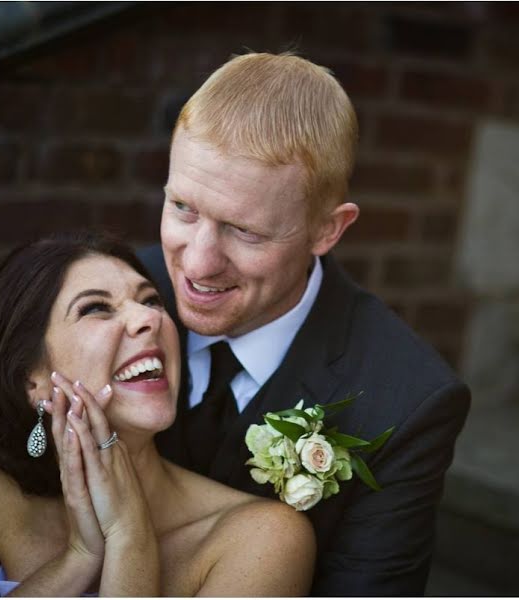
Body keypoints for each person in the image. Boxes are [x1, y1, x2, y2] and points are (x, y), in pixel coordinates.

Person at [139, 51, 471, 596]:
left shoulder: (407, 402)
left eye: (244, 232)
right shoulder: (107, 291)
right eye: (183, 208)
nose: (196, 264)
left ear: (327, 230)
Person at [0, 232, 315, 596]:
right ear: (33, 381)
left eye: (151, 300)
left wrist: (129, 541)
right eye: (96, 308)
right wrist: (78, 559)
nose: (148, 318)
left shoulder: (262, 538)